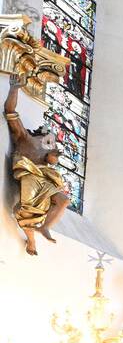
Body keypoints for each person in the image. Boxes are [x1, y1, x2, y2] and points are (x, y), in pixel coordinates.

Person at [5, 75, 70, 256]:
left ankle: (45, 227)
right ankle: (31, 241)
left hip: (44, 178)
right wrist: (14, 89)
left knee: (64, 201)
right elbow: (9, 110)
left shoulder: (46, 151)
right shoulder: (25, 138)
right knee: (26, 213)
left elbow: (50, 163)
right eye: (50, 139)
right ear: (42, 134)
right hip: (30, 176)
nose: (51, 142)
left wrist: (52, 157)